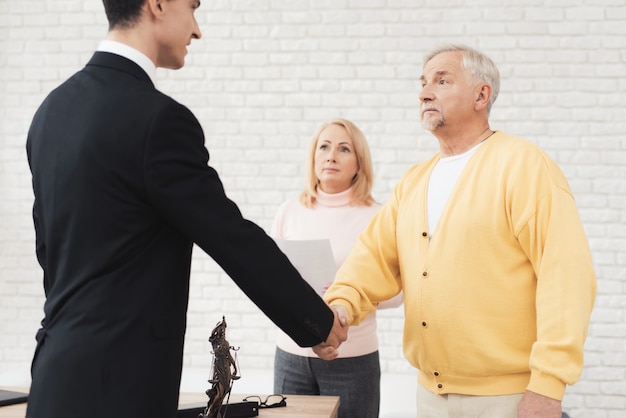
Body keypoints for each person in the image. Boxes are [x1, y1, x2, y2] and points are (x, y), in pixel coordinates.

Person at [24, 1, 347, 418]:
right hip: (119, 389)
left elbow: (49, 253)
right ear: (158, 5)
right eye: (192, 8)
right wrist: (316, 322)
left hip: (52, 378)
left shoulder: (50, 111)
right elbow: (231, 237)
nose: (197, 30)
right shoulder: (158, 121)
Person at [321, 44, 596, 418]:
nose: (424, 92)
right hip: (430, 398)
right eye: (423, 83)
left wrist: (548, 387)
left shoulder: (525, 166)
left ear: (481, 95)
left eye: (442, 80)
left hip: (510, 399)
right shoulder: (414, 181)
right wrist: (342, 305)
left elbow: (566, 277)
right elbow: (371, 260)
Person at [270, 119, 403, 418]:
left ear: (359, 163)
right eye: (324, 147)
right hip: (291, 356)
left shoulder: (378, 217)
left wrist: (347, 297)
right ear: (313, 156)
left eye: (344, 149)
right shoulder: (289, 212)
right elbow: (271, 281)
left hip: (353, 359)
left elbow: (396, 292)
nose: (331, 156)